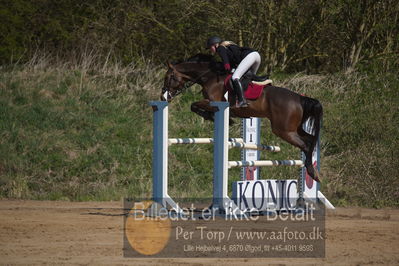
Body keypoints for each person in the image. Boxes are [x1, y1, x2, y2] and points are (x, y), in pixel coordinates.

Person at [206, 36, 261, 107]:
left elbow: (226, 64)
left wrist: (226, 70)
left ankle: (242, 101)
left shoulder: (220, 48)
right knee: (249, 78)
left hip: (250, 56)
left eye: (211, 47)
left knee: (235, 77)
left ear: (216, 45)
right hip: (256, 55)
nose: (210, 50)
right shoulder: (228, 47)